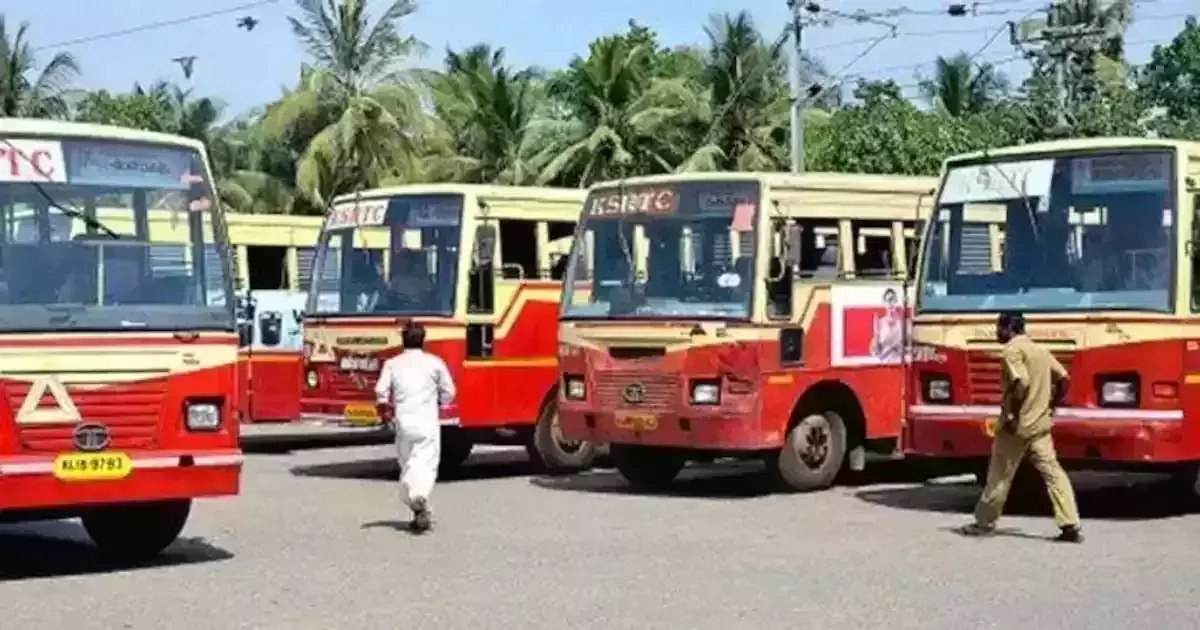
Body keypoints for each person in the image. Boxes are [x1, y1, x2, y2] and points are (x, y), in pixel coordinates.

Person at [958, 311, 1082, 543]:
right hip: (1040, 427)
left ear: (1008, 328)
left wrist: (1014, 414)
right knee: (1053, 473)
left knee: (999, 475)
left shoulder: (1011, 350)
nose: (996, 333)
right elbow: (1064, 378)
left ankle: (984, 522)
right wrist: (1052, 405)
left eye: (998, 328)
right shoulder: (1041, 351)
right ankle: (1070, 523)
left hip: (1016, 428)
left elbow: (1021, 381)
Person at [373, 322, 456, 534]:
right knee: (425, 464)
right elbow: (449, 391)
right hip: (427, 422)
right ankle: (419, 499)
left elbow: (381, 392)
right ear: (423, 340)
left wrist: (385, 411)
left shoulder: (393, 364)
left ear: (403, 340)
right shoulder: (435, 363)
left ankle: (416, 507)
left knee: (408, 463)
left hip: (403, 422)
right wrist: (440, 402)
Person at [870, 288, 905, 363]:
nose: (890, 303)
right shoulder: (879, 323)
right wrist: (876, 333)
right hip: (885, 365)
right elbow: (874, 352)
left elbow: (909, 347)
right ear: (884, 303)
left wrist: (901, 349)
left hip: (900, 365)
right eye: (887, 300)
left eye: (892, 299)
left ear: (896, 301)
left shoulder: (902, 323)